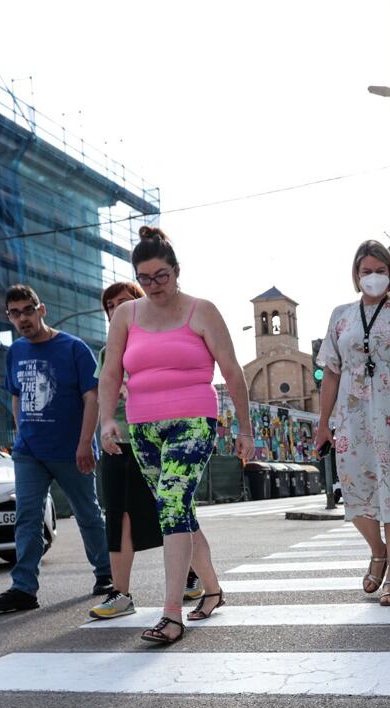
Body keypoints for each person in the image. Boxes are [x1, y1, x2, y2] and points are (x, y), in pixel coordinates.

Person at [99, 226, 253, 645]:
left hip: (194, 420)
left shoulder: (201, 310)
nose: (153, 286)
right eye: (144, 279)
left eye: (161, 276)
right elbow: (112, 372)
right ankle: (214, 589)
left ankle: (171, 614)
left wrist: (245, 427)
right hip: (143, 427)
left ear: (176, 270)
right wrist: (106, 421)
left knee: (170, 504)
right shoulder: (127, 316)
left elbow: (232, 371)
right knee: (179, 510)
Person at [311, 239, 390, 607]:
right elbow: (331, 372)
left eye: (380, 271)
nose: (374, 278)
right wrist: (323, 423)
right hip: (352, 419)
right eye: (366, 271)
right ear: (356, 275)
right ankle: (378, 550)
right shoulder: (341, 316)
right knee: (355, 495)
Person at [0, 284, 112, 614]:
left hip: (72, 450)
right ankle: (23, 588)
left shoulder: (73, 348)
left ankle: (106, 575)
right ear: (9, 317)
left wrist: (85, 442)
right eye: (15, 313)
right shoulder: (15, 352)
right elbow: (15, 394)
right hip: (29, 452)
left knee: (88, 515)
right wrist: (20, 431)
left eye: (28, 310)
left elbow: (91, 397)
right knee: (27, 517)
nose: (23, 318)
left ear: (42, 310)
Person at [87, 281, 163, 620]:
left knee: (172, 510)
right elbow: (100, 395)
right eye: (110, 306)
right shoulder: (107, 352)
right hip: (119, 444)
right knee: (118, 517)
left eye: (125, 302)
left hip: (159, 441)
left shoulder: (161, 340)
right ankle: (120, 594)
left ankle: (194, 575)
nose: (117, 309)